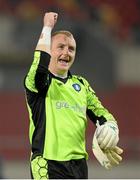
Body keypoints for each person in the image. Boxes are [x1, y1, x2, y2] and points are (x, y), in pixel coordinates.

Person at [24, 12, 121, 179]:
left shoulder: (81, 85)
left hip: (79, 167)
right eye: (60, 47)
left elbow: (101, 113)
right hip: (47, 165)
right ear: (49, 49)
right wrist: (47, 28)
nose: (66, 52)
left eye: (71, 48)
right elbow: (39, 64)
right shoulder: (39, 84)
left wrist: (111, 128)